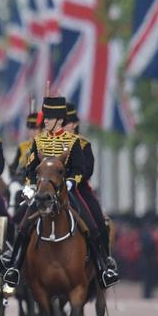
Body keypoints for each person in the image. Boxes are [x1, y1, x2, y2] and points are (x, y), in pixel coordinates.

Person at [2, 96, 118, 290]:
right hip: (42, 192)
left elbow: (80, 169)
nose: (44, 121)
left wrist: (71, 182)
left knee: (93, 222)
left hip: (69, 191)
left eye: (47, 118)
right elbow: (30, 168)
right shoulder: (38, 142)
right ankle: (14, 267)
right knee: (23, 224)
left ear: (57, 119)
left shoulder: (74, 142)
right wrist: (30, 186)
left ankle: (102, 267)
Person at [64, 104, 119, 283]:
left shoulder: (83, 144)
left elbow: (88, 170)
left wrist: (72, 179)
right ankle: (18, 262)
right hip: (53, 190)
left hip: (79, 189)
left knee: (97, 223)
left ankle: (104, 262)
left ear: (75, 124)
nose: (66, 126)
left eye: (69, 122)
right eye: (63, 122)